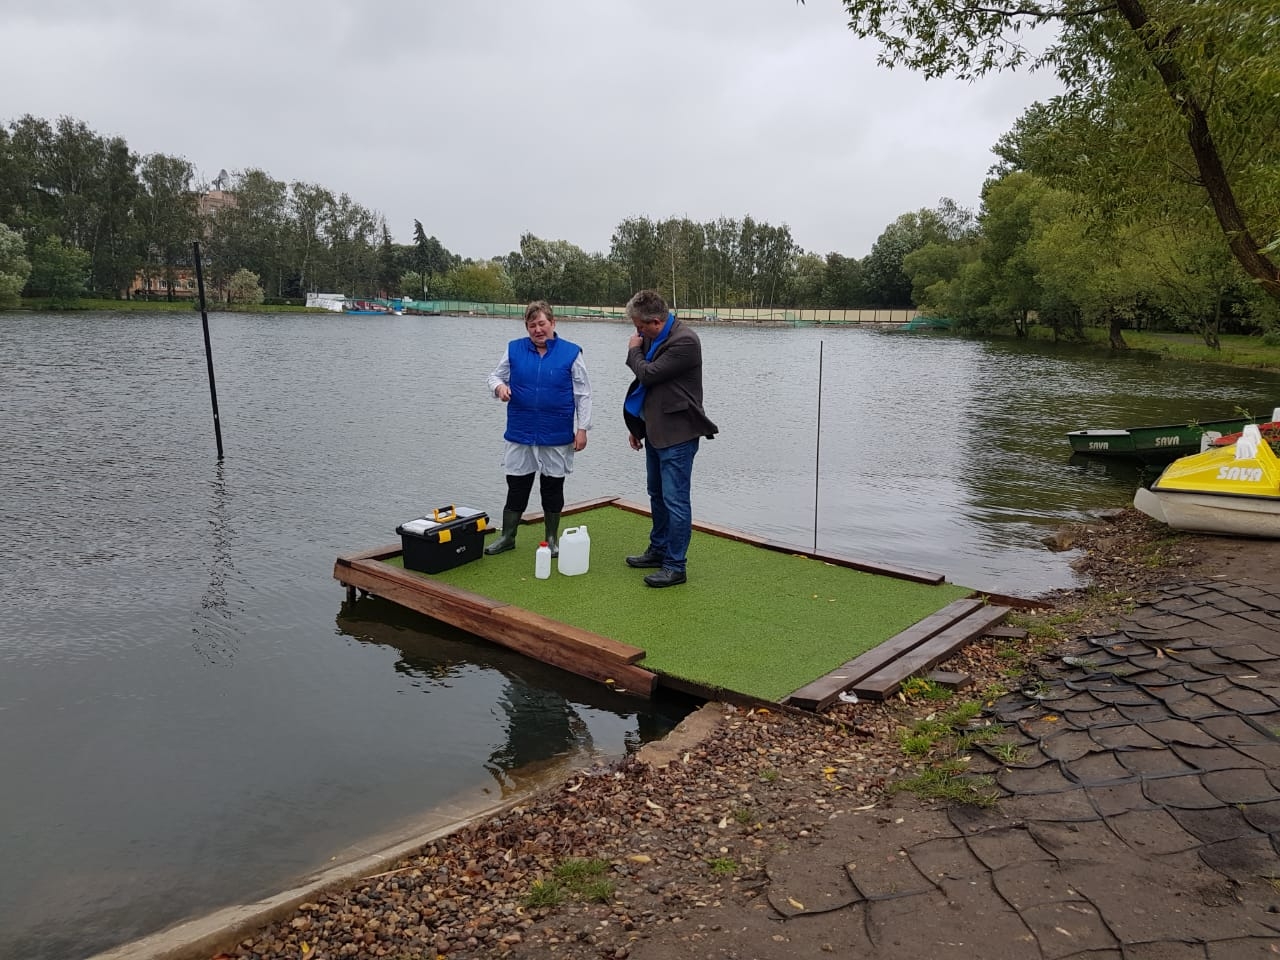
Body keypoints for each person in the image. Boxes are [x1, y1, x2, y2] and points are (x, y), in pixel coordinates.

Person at [622, 290, 718, 588]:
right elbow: (649, 388)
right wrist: (637, 426)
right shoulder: (652, 336)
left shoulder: (685, 341)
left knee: (676, 500)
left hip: (679, 434)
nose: (637, 332)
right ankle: (659, 549)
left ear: (655, 321)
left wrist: (633, 352)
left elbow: (648, 374)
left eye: (639, 326)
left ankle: (676, 566)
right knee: (656, 493)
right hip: (654, 429)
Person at [484, 300, 591, 557]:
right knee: (517, 485)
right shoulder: (514, 350)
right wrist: (499, 388)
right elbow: (494, 377)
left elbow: (583, 394)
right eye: (532, 325)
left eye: (542, 323)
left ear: (553, 323)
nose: (537, 330)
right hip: (520, 431)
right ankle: (508, 536)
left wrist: (583, 428)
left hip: (556, 433)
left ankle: (552, 539)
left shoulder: (571, 353)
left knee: (552, 486)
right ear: (527, 328)